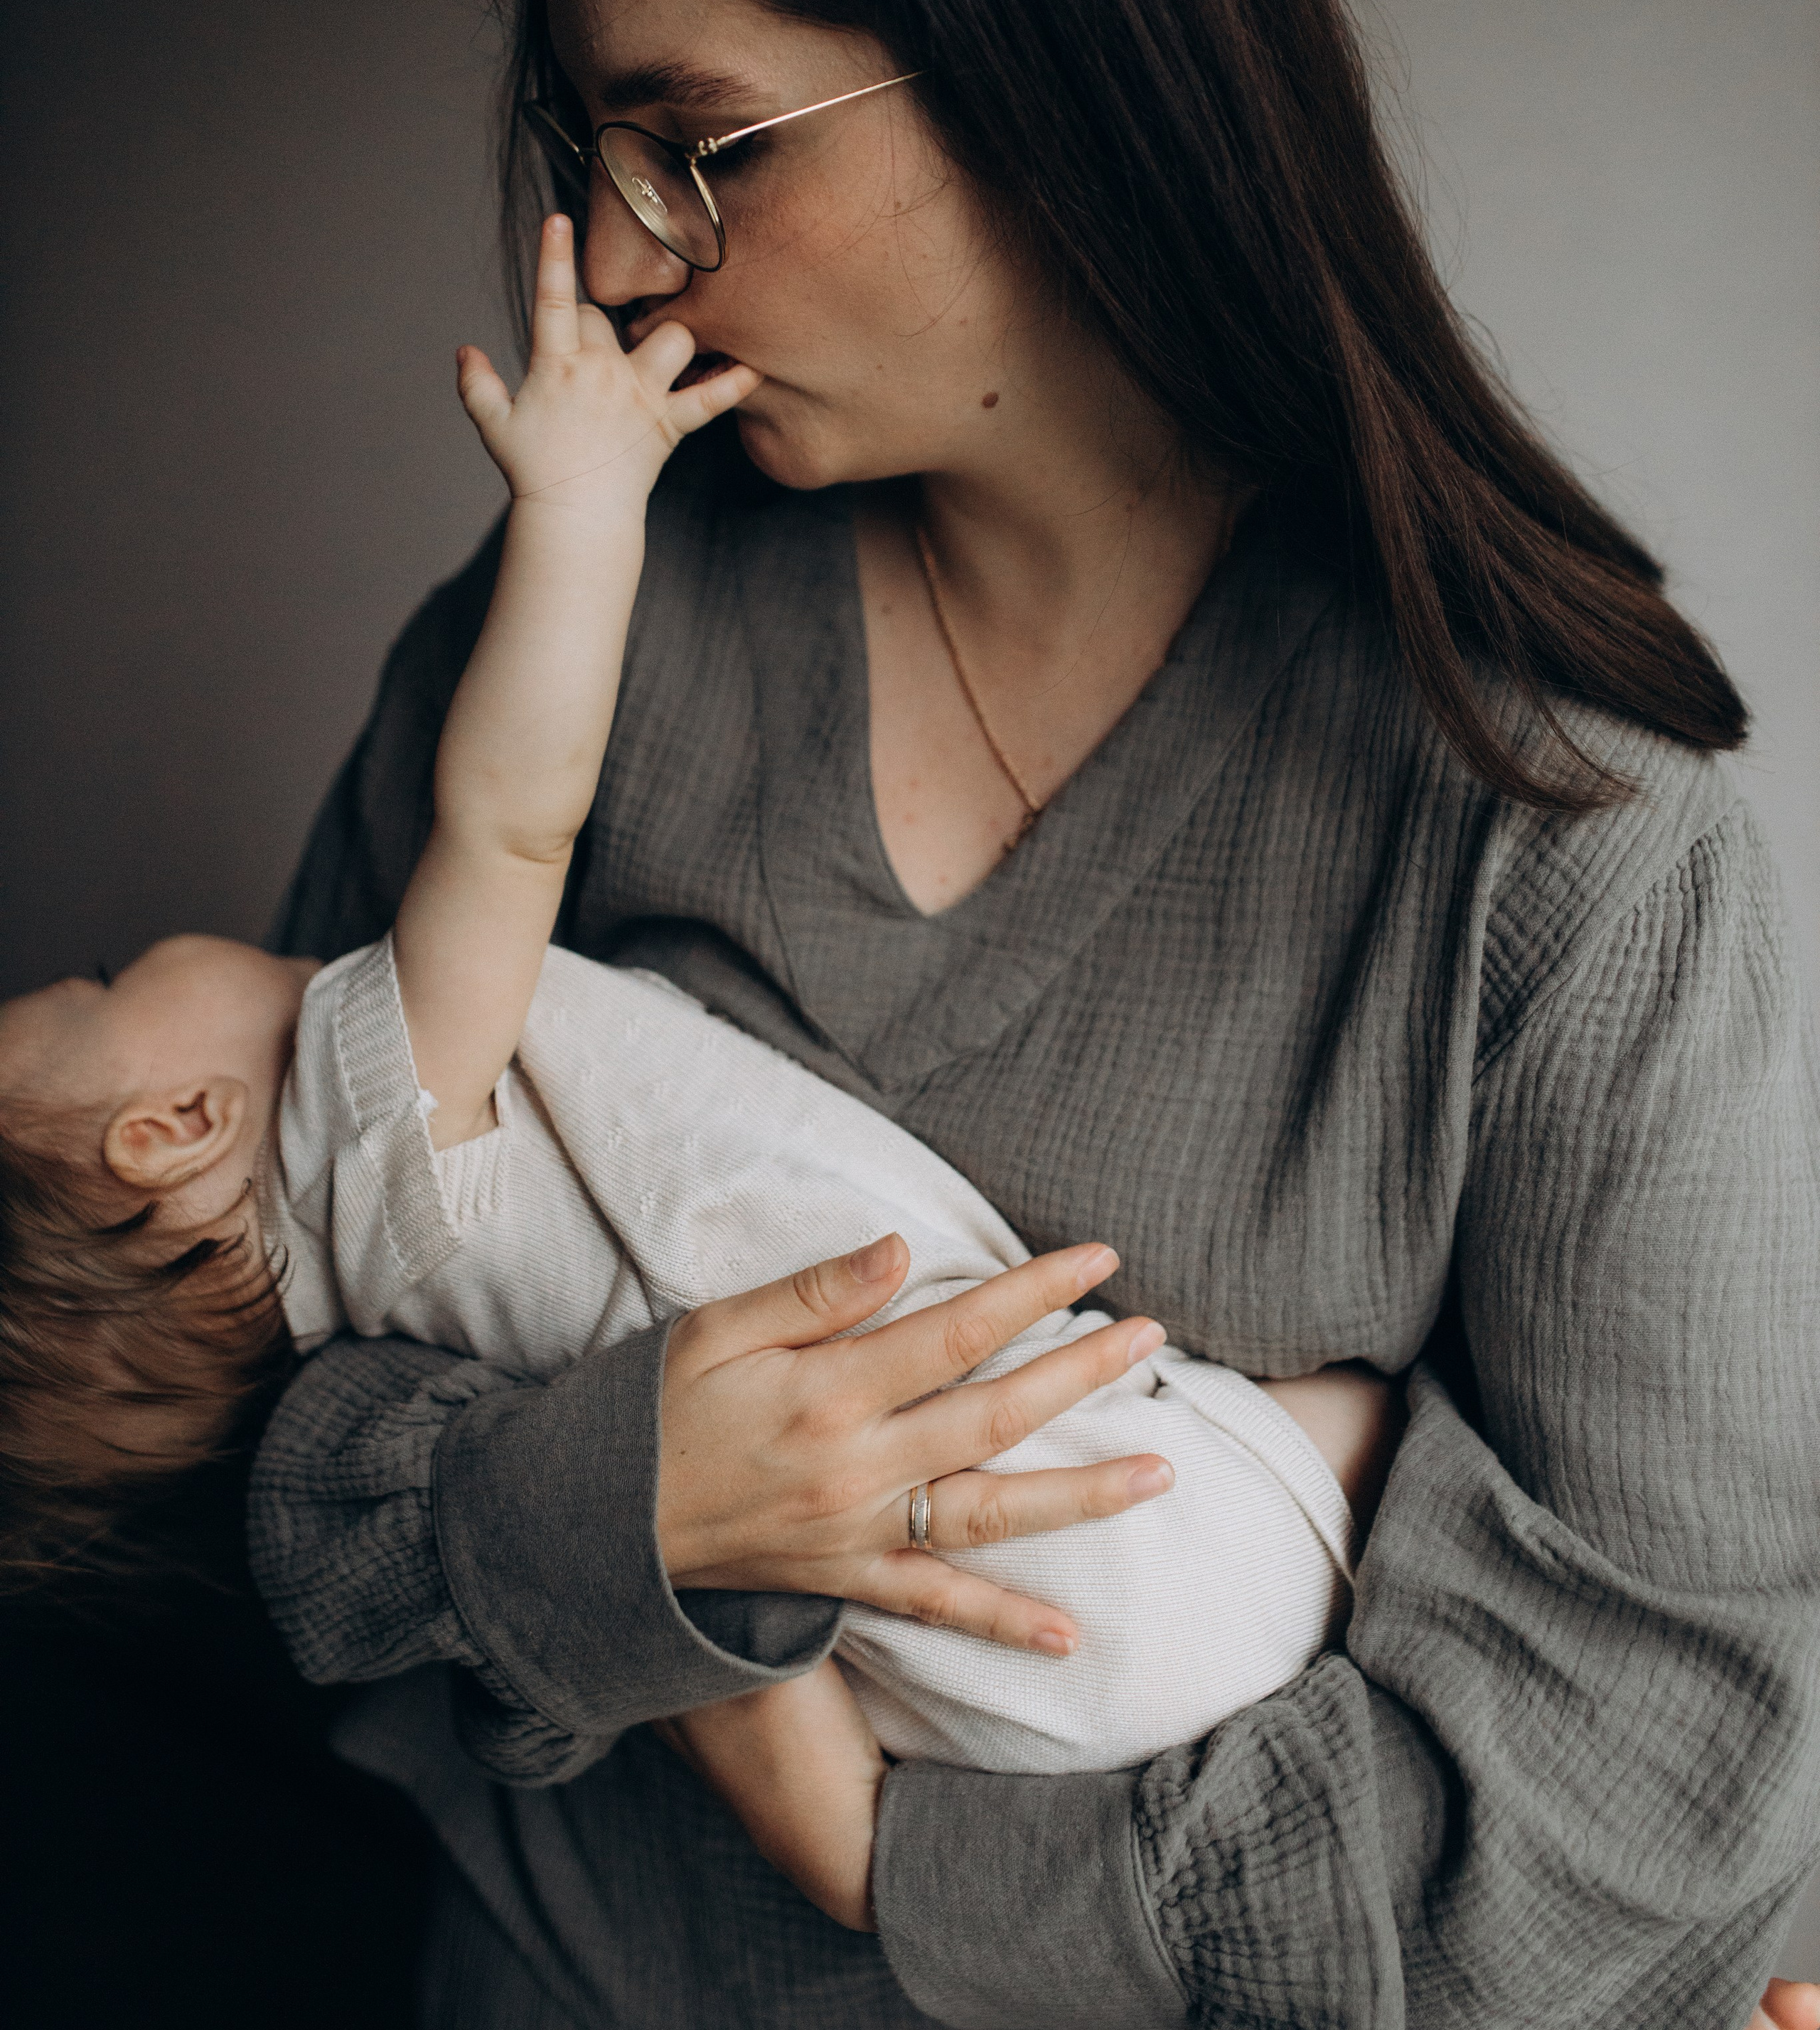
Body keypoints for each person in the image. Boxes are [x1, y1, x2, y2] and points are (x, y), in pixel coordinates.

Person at [219, 0, 1820, 2030]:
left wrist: (900, 1856)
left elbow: (1646, 1758)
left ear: (1061, 64)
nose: (624, 255)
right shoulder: (572, 652)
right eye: (596, 144)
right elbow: (233, 1417)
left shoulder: (1566, 840)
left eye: (704, 144)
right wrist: (612, 1513)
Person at [0, 219, 1392, 1787]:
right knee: (1370, 1432)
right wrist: (579, 508)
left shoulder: (393, 1311)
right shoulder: (369, 1100)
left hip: (1018, 1684)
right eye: (104, 985)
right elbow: (510, 818)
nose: (139, 955)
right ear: (172, 1127)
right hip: (1098, 1511)